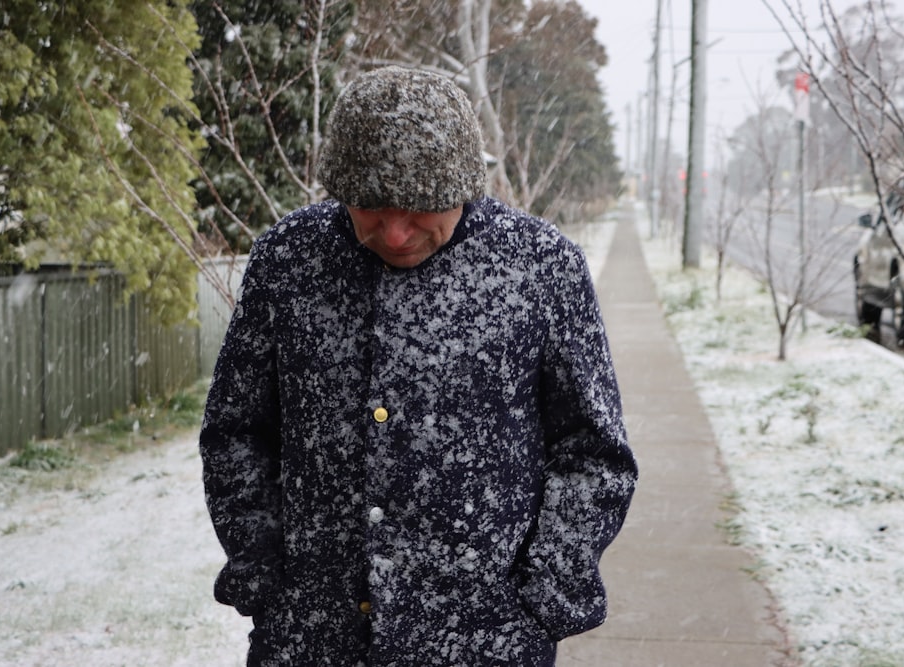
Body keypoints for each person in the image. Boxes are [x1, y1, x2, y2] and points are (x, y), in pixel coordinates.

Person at [199, 65, 638, 667]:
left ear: (463, 186)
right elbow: (236, 430)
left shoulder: (541, 267)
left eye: (420, 207)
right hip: (313, 640)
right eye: (371, 208)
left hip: (488, 642)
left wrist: (546, 592)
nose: (397, 232)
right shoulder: (289, 260)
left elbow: (593, 451)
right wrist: (263, 573)